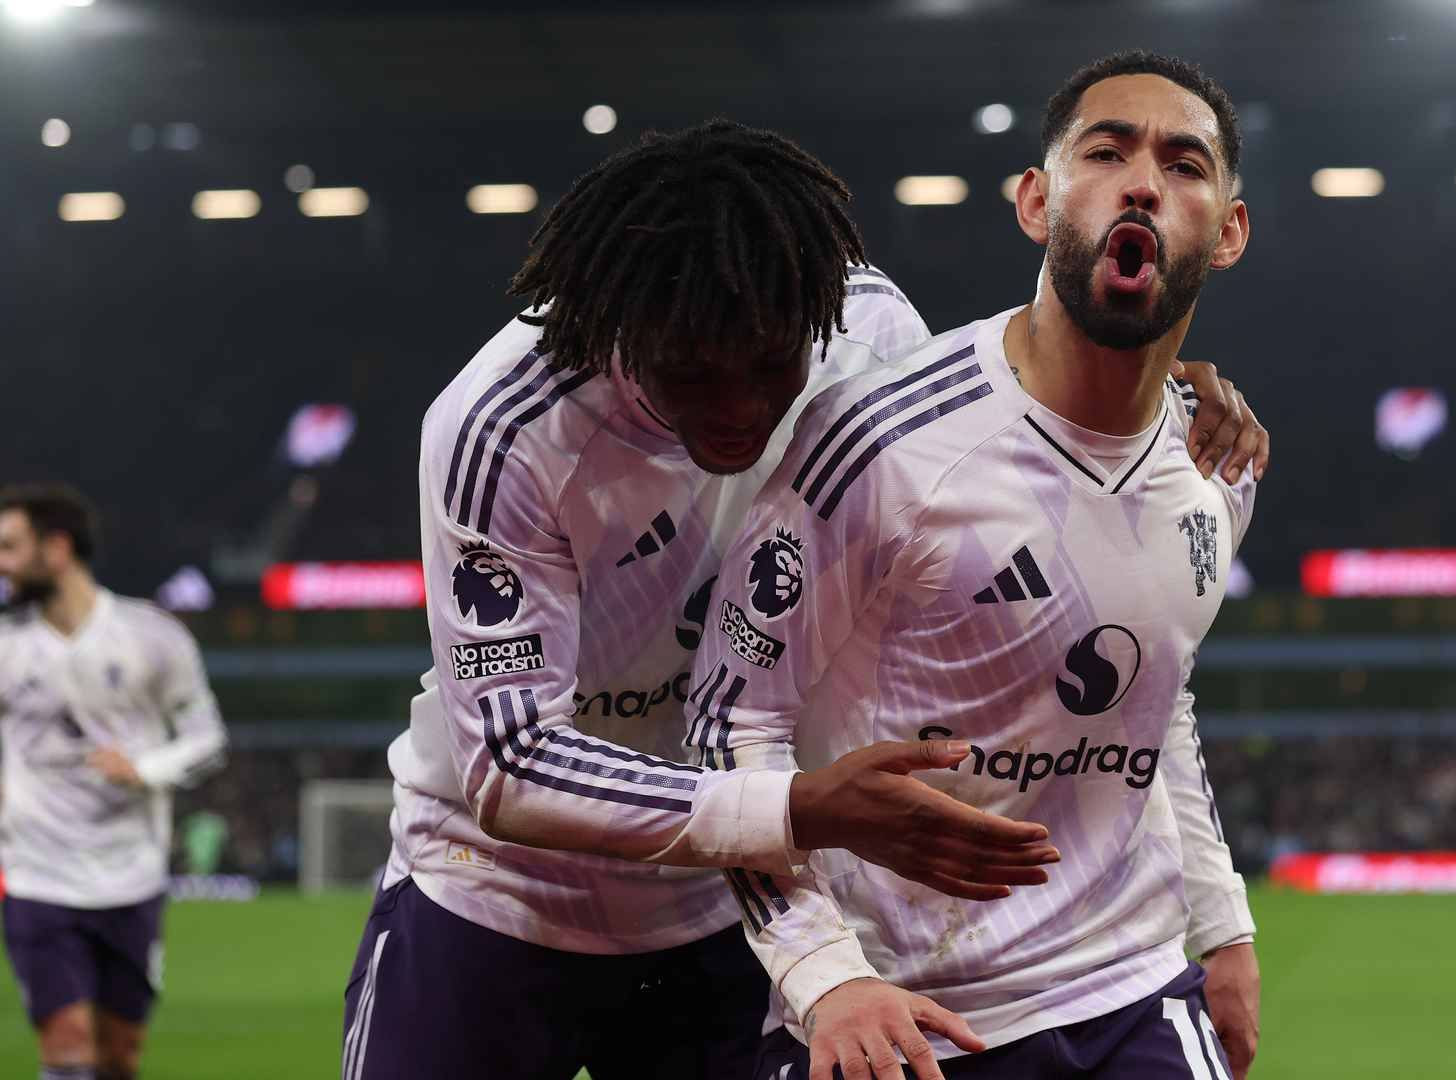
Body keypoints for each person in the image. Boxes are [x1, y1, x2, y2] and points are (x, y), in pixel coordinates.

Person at [344, 120, 1266, 1079]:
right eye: (692, 373)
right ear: (620, 333)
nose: (740, 407)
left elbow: (986, 443)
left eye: (769, 366)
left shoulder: (863, 331)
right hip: (495, 895)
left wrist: (1153, 398)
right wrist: (796, 805)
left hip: (728, 910)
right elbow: (511, 763)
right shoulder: (505, 427)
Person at [690, 51, 1263, 1080]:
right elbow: (727, 721)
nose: (1142, 182)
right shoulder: (877, 443)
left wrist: (1221, 926)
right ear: (1037, 202)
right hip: (905, 1012)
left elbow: (1155, 692)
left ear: (1227, 232)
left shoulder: (1215, 464)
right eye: (1106, 153)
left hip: (1130, 990)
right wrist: (824, 977)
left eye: (1183, 165)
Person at [0, 485, 227, 1080]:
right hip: (38, 876)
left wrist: (144, 769)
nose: (2, 563)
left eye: (10, 547)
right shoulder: (6, 645)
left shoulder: (152, 635)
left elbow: (207, 738)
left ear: (57, 548)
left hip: (131, 875)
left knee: (118, 1055)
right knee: (67, 1045)